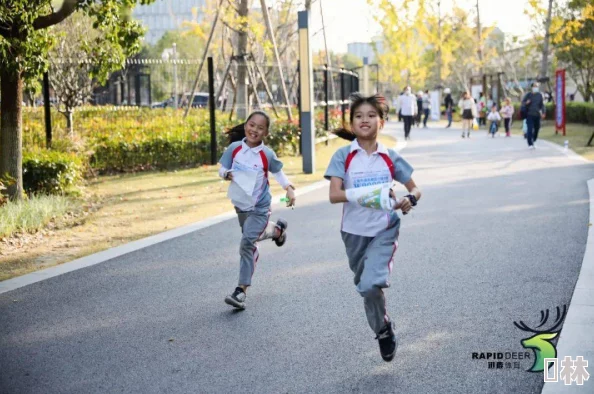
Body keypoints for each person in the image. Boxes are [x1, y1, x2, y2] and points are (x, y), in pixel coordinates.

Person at [325, 93, 421, 362]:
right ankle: (383, 327)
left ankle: (381, 331)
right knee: (365, 288)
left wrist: (408, 199)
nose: (364, 120)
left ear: (382, 121)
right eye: (358, 116)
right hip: (353, 232)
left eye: (370, 115)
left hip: (384, 229)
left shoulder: (389, 157)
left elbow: (415, 188)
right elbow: (334, 195)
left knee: (370, 285)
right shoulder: (343, 156)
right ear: (352, 123)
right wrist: (367, 194)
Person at [218, 111, 297, 310]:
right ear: (246, 125)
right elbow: (221, 168)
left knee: (247, 243)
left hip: (260, 206)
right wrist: (226, 174)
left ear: (266, 132)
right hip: (240, 205)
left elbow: (278, 172)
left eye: (260, 128)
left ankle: (241, 291)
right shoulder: (235, 148)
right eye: (252, 125)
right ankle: (277, 231)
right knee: (252, 234)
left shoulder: (266, 154)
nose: (255, 130)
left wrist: (288, 189)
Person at [521, 82, 546, 149]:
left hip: (537, 115)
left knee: (537, 129)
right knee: (530, 129)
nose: (536, 87)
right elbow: (523, 103)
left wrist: (543, 112)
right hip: (529, 115)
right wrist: (526, 102)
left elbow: (542, 105)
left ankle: (533, 140)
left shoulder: (539, 95)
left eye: (537, 86)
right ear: (532, 87)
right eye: (534, 86)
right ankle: (530, 144)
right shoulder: (528, 95)